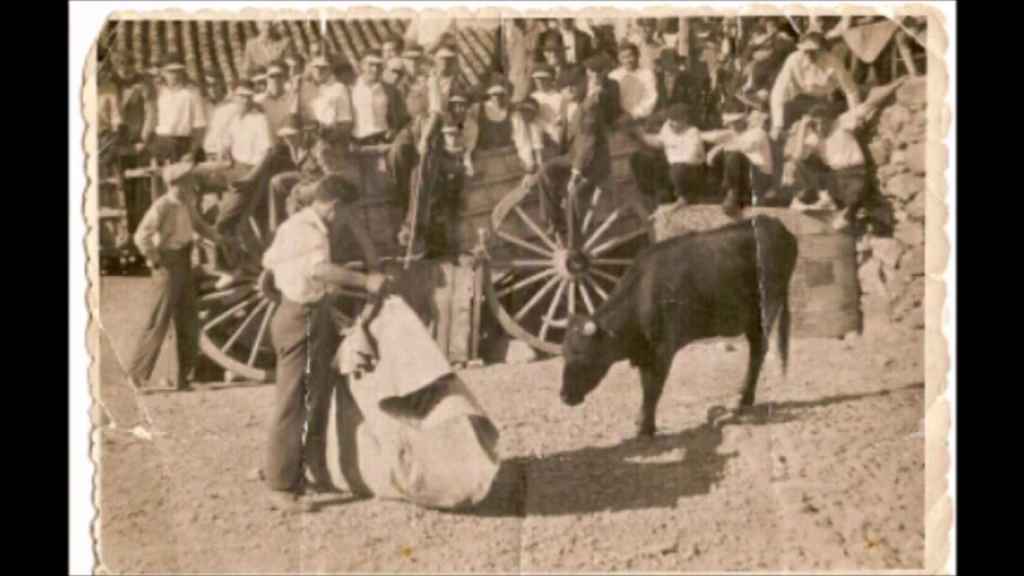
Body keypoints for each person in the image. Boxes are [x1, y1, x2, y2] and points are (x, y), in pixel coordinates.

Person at [260, 176, 388, 512]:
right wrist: (364, 280)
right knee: (292, 402)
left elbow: (269, 264)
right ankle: (280, 486)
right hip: (301, 318)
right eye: (346, 214)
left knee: (316, 395)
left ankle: (311, 471)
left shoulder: (293, 225)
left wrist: (292, 291)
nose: (346, 221)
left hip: (303, 313)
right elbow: (319, 270)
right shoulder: (311, 231)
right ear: (334, 206)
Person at [128, 160, 223, 391]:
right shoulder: (163, 206)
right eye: (189, 180)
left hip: (184, 261)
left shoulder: (186, 202)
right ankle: (136, 376)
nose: (193, 183)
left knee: (188, 320)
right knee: (158, 320)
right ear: (176, 183)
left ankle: (183, 378)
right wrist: (154, 259)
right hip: (168, 264)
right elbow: (141, 236)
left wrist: (220, 239)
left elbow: (199, 225)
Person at [390, 89, 471, 257]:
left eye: (462, 106)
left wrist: (426, 140)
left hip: (447, 166)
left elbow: (437, 119)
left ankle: (416, 232)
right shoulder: (413, 124)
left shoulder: (457, 123)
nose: (459, 109)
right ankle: (416, 230)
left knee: (426, 185)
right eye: (456, 106)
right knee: (417, 179)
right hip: (435, 161)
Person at [539, 67, 610, 240]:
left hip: (594, 162)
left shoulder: (590, 107)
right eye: (565, 87)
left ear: (583, 84)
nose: (570, 90)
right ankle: (554, 221)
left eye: (574, 85)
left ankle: (574, 244)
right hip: (573, 156)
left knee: (573, 193)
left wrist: (575, 174)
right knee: (545, 170)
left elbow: (587, 144)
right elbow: (564, 132)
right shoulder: (565, 104)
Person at [211, 81, 273, 270]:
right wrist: (223, 150)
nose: (245, 100)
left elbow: (267, 153)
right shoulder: (234, 118)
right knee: (234, 220)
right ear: (234, 97)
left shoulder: (259, 119)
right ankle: (247, 261)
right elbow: (226, 142)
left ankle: (229, 268)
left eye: (248, 96)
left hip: (251, 172)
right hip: (234, 168)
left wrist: (250, 178)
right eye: (241, 96)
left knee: (225, 221)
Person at [787, 103, 873, 231]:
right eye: (816, 124)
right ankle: (821, 197)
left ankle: (846, 211)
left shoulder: (841, 122)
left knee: (845, 217)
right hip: (836, 177)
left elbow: (870, 103)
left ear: (830, 120)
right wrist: (803, 126)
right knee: (801, 162)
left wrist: (897, 83)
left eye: (823, 122)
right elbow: (797, 156)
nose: (820, 127)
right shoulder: (815, 137)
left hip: (855, 173)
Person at [769, 31, 860, 141]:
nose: (809, 55)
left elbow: (850, 90)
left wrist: (856, 116)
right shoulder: (793, 60)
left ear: (822, 50)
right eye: (805, 51)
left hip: (827, 102)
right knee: (784, 126)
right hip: (801, 101)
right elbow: (778, 91)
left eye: (813, 51)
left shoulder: (833, 62)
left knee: (822, 131)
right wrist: (777, 125)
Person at [626, 102, 707, 208]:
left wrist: (671, 157)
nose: (671, 123)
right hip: (674, 167)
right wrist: (642, 136)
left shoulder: (692, 133)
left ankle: (684, 197)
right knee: (639, 158)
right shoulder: (668, 128)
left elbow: (691, 157)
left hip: (692, 170)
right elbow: (659, 142)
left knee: (677, 167)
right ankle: (652, 194)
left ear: (685, 120)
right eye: (670, 120)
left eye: (676, 120)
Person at [705, 99, 776, 214]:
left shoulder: (758, 132)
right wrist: (713, 150)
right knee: (718, 154)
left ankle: (733, 194)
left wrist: (718, 148)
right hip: (745, 177)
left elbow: (745, 147)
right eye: (729, 122)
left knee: (733, 154)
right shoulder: (733, 133)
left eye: (736, 121)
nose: (731, 125)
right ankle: (725, 192)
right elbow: (713, 136)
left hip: (760, 178)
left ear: (744, 119)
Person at [152, 54, 207, 163]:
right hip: (161, 144)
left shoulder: (192, 93)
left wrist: (192, 152)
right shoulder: (158, 92)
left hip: (182, 145)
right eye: (171, 71)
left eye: (178, 71)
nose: (175, 75)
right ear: (163, 72)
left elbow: (200, 126)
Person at [349, 51, 408, 147]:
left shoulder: (390, 90)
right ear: (362, 66)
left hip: (383, 141)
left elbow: (401, 118)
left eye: (378, 65)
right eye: (371, 65)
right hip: (358, 143)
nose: (375, 69)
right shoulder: (351, 90)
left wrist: (393, 131)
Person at [608, 41, 658, 122]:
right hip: (618, 119)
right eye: (624, 57)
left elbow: (650, 98)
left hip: (641, 118)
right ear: (619, 59)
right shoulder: (613, 76)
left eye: (631, 56)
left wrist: (634, 114)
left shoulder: (647, 74)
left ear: (637, 56)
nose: (628, 60)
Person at [464, 77, 514, 157]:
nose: (498, 97)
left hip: (506, 153)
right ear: (489, 95)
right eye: (495, 94)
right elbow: (465, 124)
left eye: (501, 95)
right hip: (484, 155)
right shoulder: (477, 108)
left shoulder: (511, 110)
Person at [511, 96, 559, 174]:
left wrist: (555, 139)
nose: (526, 114)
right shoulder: (516, 121)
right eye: (523, 111)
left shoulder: (538, 122)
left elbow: (552, 130)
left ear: (534, 113)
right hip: (520, 157)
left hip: (537, 156)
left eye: (529, 111)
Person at [202, 80, 247, 161]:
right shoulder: (204, 105)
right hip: (208, 151)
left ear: (222, 86)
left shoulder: (233, 107)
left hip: (226, 152)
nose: (212, 89)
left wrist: (226, 148)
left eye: (215, 85)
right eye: (209, 86)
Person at [257, 61, 296, 142]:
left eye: (279, 75)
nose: (276, 79)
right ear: (266, 78)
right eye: (272, 76)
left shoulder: (293, 98)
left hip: (291, 145)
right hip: (270, 148)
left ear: (285, 77)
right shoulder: (259, 103)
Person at [529, 64, 566, 148]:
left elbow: (562, 116)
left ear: (550, 79)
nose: (540, 82)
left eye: (543, 79)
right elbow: (532, 117)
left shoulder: (559, 97)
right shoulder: (532, 97)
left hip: (555, 131)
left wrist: (556, 125)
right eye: (537, 79)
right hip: (539, 131)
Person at [426, 44, 463, 114]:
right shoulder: (431, 79)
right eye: (442, 59)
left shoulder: (454, 81)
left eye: (448, 59)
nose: (445, 62)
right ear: (436, 60)